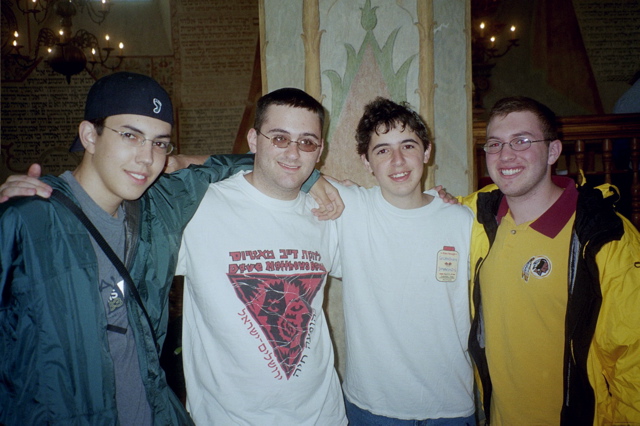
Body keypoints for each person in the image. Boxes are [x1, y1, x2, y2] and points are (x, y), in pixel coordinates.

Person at [0, 73, 340, 425]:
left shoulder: (159, 210)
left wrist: (309, 176)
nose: (146, 157)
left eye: (160, 143)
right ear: (89, 135)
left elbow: (232, 167)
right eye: (130, 135)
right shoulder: (30, 220)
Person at [461, 96, 640, 425]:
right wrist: (332, 188)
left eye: (522, 141)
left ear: (554, 151)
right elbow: (411, 207)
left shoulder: (603, 235)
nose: (505, 155)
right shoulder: (476, 217)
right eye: (495, 144)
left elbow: (634, 355)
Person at [175, 87, 346, 424]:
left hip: (322, 416)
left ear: (320, 151)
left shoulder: (329, 212)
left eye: (307, 142)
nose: (294, 154)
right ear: (254, 140)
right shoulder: (197, 208)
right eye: (279, 138)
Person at [333, 98, 476, 425]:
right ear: (366, 162)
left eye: (408, 146)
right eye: (382, 150)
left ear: (426, 152)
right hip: (372, 406)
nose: (397, 161)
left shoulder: (462, 220)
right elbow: (283, 171)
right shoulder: (351, 209)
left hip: (450, 404)